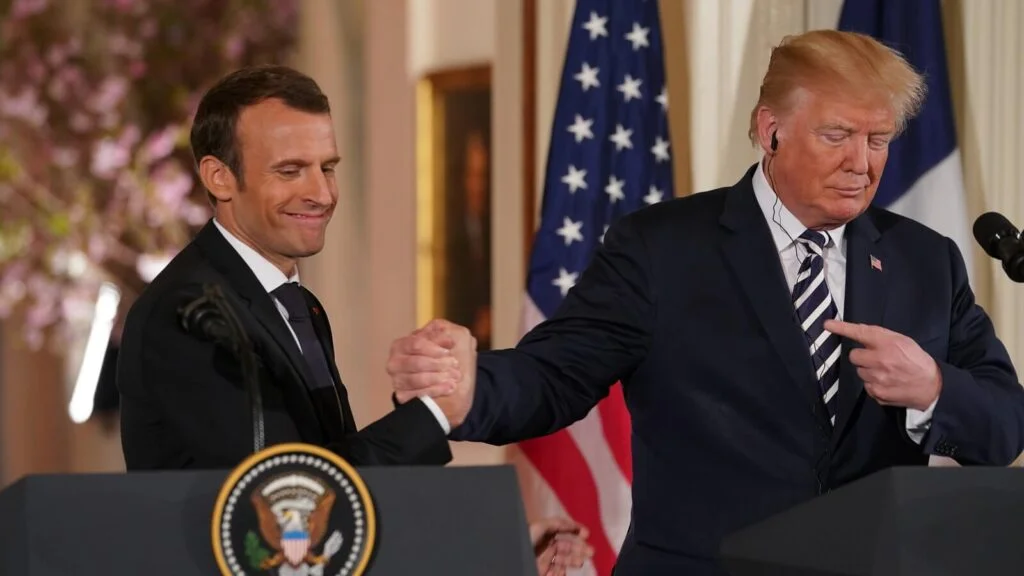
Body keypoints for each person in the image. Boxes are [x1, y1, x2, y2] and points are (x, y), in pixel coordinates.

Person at [385, 30, 1024, 575]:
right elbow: (554, 374)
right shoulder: (662, 247)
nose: (862, 162)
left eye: (879, 140)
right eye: (838, 135)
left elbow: (1003, 425)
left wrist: (934, 386)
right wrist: (467, 389)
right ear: (771, 130)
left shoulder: (924, 259)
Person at [116, 65, 592, 574]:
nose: (321, 193)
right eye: (290, 170)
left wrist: (495, 551)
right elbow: (289, 506)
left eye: (328, 167)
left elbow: (339, 505)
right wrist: (436, 412)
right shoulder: (191, 315)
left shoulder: (291, 304)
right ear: (220, 177)